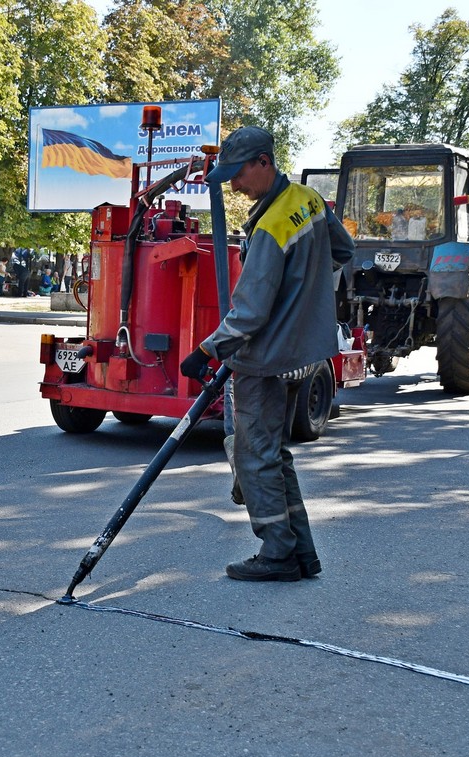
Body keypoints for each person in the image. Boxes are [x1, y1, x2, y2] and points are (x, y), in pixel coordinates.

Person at [180, 126, 355, 582]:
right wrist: (302, 291)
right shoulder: (308, 200)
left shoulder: (272, 227)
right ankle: (303, 553)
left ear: (263, 162)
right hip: (300, 346)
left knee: (255, 454)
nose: (234, 185)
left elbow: (250, 314)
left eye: (237, 174)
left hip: (261, 357)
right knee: (276, 454)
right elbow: (343, 249)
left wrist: (204, 350)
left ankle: (278, 554)